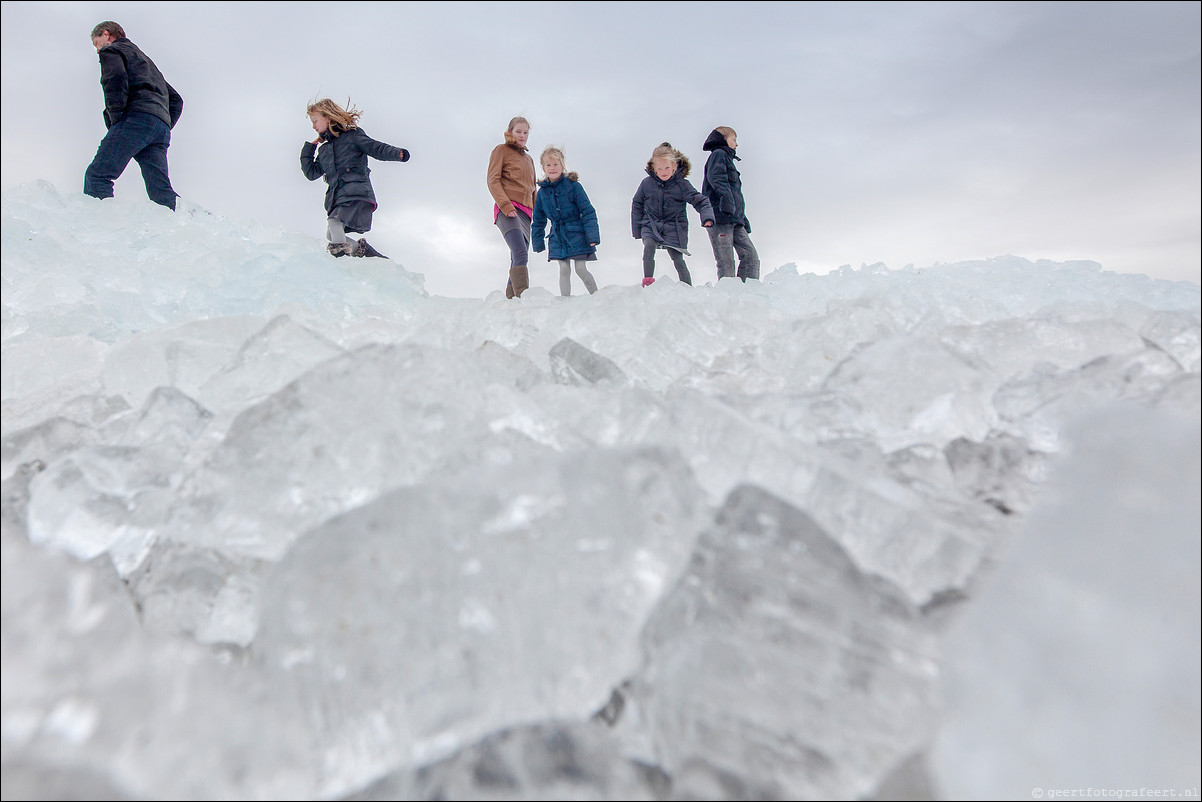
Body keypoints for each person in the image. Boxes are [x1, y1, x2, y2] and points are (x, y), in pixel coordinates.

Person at [83, 21, 183, 211]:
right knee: (161, 191)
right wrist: (163, 123)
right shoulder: (147, 63)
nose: (98, 51)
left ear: (106, 34)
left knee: (97, 175)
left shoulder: (111, 51)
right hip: (159, 128)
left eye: (97, 44)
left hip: (135, 119)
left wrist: (116, 119)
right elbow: (176, 99)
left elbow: (115, 80)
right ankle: (193, 223)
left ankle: (99, 227)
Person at [300, 98, 409, 258]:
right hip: (338, 197)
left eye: (315, 120)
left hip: (356, 193)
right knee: (331, 234)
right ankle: (368, 255)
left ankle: (340, 259)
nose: (313, 126)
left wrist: (397, 153)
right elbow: (311, 173)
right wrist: (309, 150)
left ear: (328, 117)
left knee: (334, 223)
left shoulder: (352, 136)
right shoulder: (324, 150)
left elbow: (375, 147)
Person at [631, 142, 714, 286]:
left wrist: (707, 216)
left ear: (674, 167)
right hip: (651, 223)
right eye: (660, 168)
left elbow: (700, 201)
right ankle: (648, 281)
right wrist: (637, 229)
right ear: (654, 168)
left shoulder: (682, 185)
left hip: (674, 225)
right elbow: (637, 204)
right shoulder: (646, 183)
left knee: (677, 257)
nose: (664, 171)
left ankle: (687, 286)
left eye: (667, 168)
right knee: (649, 245)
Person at [532, 146, 600, 296]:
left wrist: (592, 235)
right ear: (543, 168)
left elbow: (588, 211)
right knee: (563, 268)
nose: (552, 168)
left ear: (562, 165)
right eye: (548, 165)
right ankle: (565, 301)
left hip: (578, 234)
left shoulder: (574, 186)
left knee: (580, 269)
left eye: (556, 164)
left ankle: (596, 296)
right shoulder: (542, 193)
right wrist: (537, 242)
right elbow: (538, 220)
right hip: (557, 236)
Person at [487, 117, 538, 298]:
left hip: (527, 214)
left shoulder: (529, 160)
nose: (522, 136)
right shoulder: (501, 150)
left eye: (525, 132)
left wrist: (537, 214)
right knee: (520, 253)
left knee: (517, 258)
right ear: (510, 132)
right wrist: (505, 205)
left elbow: (533, 190)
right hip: (507, 209)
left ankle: (511, 303)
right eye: (518, 131)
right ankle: (525, 298)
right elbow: (493, 180)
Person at [702, 126, 760, 282]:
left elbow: (736, 195)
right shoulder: (718, 155)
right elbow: (717, 178)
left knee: (751, 256)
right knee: (726, 262)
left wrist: (743, 218)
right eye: (734, 139)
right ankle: (728, 297)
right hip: (720, 217)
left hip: (735, 219)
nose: (736, 144)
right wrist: (725, 200)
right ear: (722, 138)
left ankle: (748, 291)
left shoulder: (728, 159)